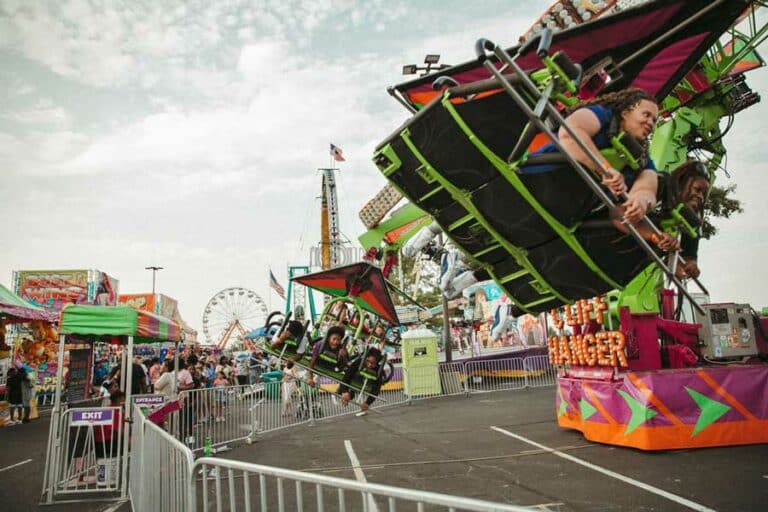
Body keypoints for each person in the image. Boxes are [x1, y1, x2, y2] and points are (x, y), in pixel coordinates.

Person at [337, 348, 385, 415]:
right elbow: (347, 376)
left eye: (373, 363)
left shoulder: (379, 370)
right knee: (344, 391)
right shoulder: (359, 362)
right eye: (368, 361)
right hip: (354, 380)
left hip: (367, 384)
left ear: (377, 363)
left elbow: (376, 389)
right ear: (366, 358)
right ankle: (346, 394)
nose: (369, 365)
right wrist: (344, 391)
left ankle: (348, 394)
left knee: (351, 391)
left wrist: (367, 403)